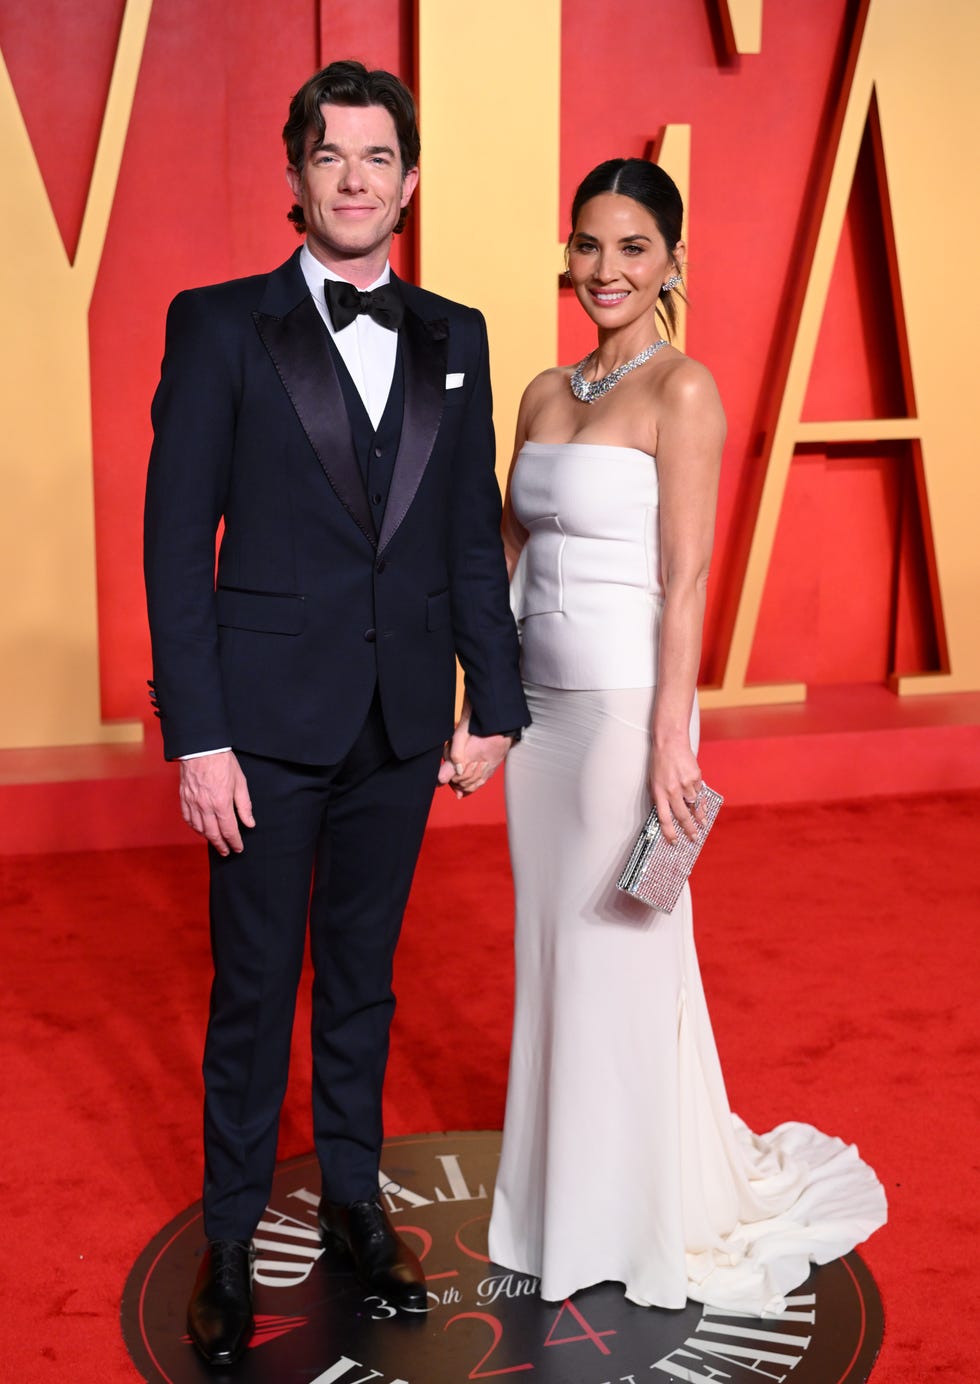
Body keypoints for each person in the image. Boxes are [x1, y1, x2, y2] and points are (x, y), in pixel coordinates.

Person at [144, 60, 528, 1367]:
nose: (355, 180)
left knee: (363, 983)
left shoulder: (454, 334)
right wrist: (195, 735)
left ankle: (358, 1204)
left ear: (407, 184)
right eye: (331, 157)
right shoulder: (216, 325)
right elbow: (170, 542)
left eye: (377, 158)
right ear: (296, 177)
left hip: (403, 721)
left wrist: (496, 701)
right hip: (257, 730)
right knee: (255, 989)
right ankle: (236, 1237)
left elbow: (468, 535)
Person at [486, 158, 886, 1314]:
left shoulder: (684, 391)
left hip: (622, 711)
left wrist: (671, 736)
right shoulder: (539, 393)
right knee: (552, 957)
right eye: (588, 245)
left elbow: (686, 576)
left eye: (631, 248)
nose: (605, 269)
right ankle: (561, 1198)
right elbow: (509, 559)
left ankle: (630, 1210)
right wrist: (485, 710)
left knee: (617, 950)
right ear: (567, 254)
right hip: (541, 714)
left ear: (670, 263)